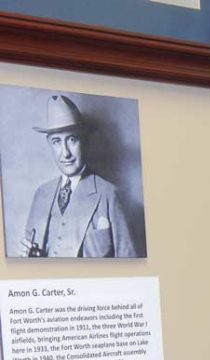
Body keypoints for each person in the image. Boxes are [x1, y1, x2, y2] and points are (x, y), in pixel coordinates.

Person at [20, 94, 136, 258]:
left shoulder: (109, 195)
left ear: (85, 141)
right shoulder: (40, 194)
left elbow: (130, 266)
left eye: (72, 139)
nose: (65, 153)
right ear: (49, 144)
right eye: (57, 142)